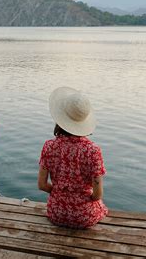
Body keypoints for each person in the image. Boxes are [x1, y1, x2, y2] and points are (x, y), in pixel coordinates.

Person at [38, 87, 108, 229]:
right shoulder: (93, 151)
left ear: (60, 119)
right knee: (102, 208)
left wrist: (60, 193)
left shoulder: (49, 146)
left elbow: (42, 185)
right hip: (85, 217)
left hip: (56, 213)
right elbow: (97, 194)